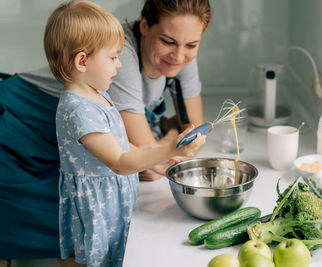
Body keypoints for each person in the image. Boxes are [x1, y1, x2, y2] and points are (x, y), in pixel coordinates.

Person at [0, 0, 212, 262]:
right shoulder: (81, 105)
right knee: (29, 218)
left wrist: (157, 153)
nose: (180, 56)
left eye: (191, 45)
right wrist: (169, 146)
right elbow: (124, 162)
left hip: (89, 176)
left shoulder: (97, 90)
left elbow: (127, 144)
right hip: (18, 122)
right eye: (168, 42)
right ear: (144, 26)